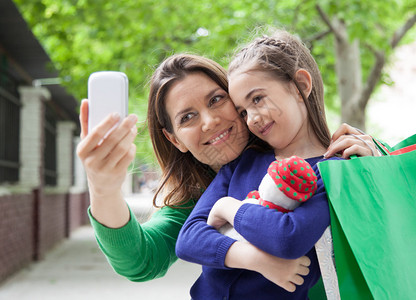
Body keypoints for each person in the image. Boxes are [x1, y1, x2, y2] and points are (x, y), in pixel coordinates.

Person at [76, 52, 379, 285]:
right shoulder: (201, 194)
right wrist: (104, 188)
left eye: (217, 99)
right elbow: (139, 260)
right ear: (174, 139)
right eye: (187, 117)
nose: (210, 122)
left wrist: (378, 165)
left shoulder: (318, 161)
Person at [175, 29, 344, 299]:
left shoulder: (333, 170)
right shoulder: (244, 162)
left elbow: (288, 238)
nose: (251, 118)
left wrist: (229, 208)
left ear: (300, 85)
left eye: (257, 99)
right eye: (242, 111)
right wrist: (258, 259)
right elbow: (189, 240)